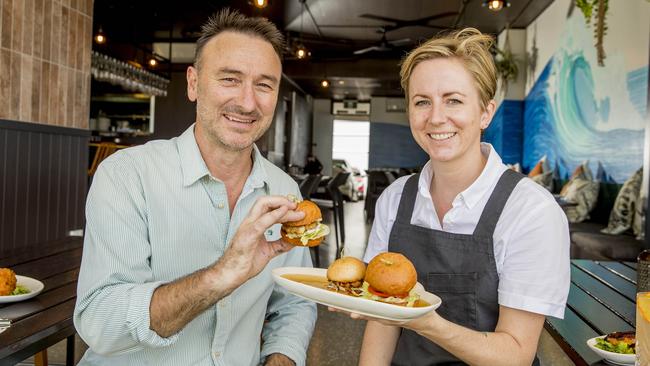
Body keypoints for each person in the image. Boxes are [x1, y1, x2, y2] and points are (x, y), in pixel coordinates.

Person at [74, 9, 316, 366]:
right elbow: (100, 323)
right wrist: (220, 276)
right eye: (230, 79)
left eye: (264, 85)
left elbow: (295, 302)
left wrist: (281, 358)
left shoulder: (282, 188)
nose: (248, 103)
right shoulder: (127, 176)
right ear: (193, 83)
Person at [349, 28, 570, 365]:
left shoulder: (530, 211)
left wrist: (426, 322)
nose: (436, 118)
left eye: (453, 100)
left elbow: (516, 355)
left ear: (485, 112)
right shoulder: (395, 199)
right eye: (422, 101)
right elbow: (382, 324)